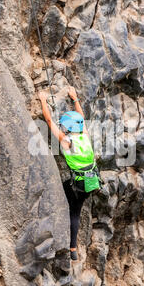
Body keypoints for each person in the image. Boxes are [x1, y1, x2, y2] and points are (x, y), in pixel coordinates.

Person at [39, 87, 100, 261]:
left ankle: (68, 243)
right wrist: (75, 98)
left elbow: (49, 121)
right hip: (90, 182)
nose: (63, 128)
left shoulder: (66, 141)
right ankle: (73, 249)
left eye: (65, 126)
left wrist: (43, 100)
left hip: (77, 185)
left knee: (66, 202)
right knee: (77, 211)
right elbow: (82, 119)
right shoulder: (85, 136)